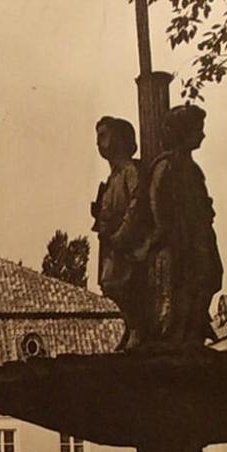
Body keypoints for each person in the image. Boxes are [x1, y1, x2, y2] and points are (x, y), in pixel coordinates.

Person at [143, 104, 223, 345]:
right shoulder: (166, 165)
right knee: (185, 282)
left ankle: (195, 329)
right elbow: (158, 201)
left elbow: (201, 202)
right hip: (180, 239)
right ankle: (183, 334)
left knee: (211, 276)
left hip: (199, 236)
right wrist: (165, 233)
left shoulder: (192, 168)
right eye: (198, 129)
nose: (202, 135)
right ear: (183, 132)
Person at [91, 116, 149, 348]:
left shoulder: (129, 170)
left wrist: (123, 232)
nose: (98, 142)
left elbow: (137, 202)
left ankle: (137, 328)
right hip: (112, 244)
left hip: (127, 243)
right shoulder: (112, 177)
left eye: (103, 135)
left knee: (122, 283)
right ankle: (131, 326)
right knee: (109, 284)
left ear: (119, 138)